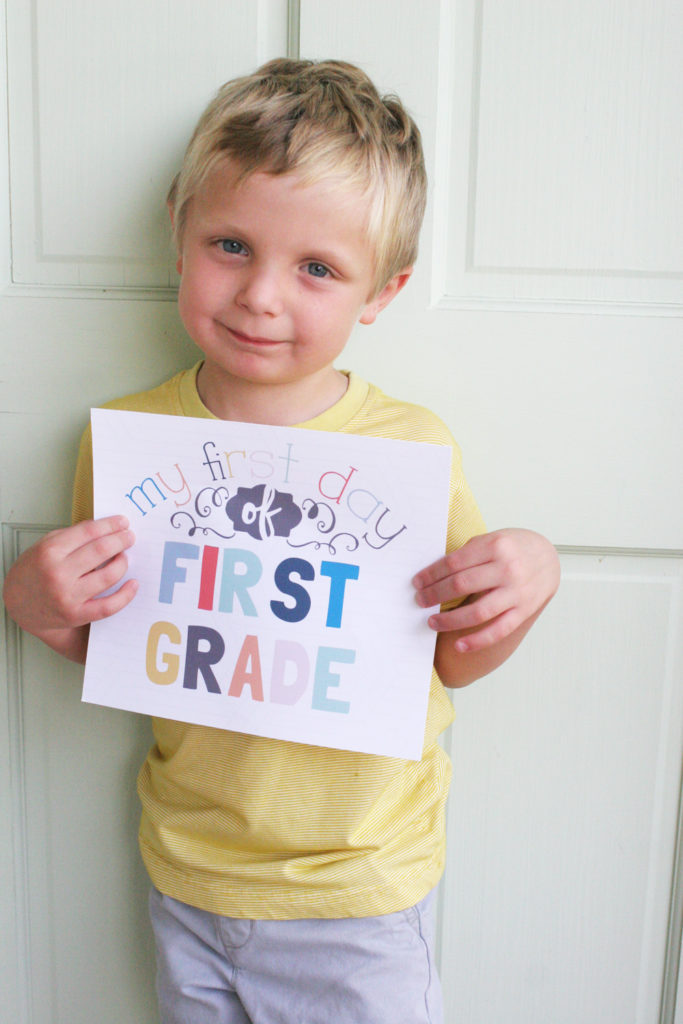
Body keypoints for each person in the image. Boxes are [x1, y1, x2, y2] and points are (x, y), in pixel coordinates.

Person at [2, 59, 560, 1023]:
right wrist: (34, 604)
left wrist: (528, 584)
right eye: (230, 244)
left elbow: (454, 661)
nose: (262, 296)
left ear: (379, 292)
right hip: (187, 871)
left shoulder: (410, 449)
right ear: (179, 234)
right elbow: (130, 647)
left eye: (316, 269)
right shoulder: (131, 443)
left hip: (357, 891)